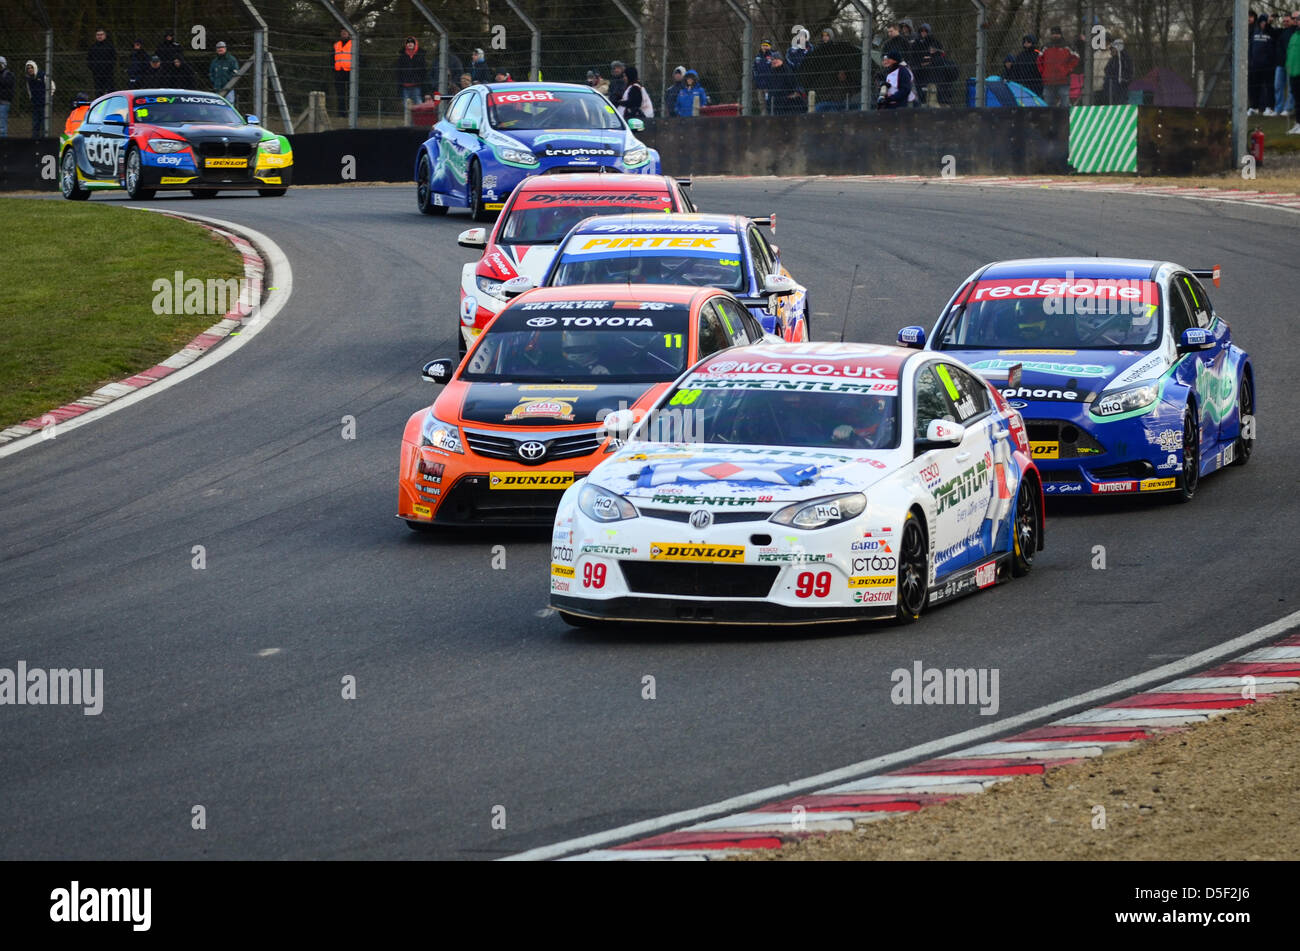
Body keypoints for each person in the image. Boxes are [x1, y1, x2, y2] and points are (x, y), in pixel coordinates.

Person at [1038, 26, 1079, 107]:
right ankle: (1050, 119)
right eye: (1053, 34)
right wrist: (1043, 73)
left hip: (1063, 79)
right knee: (1048, 103)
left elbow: (1076, 58)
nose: (1055, 35)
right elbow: (1039, 61)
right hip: (1048, 79)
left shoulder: (1068, 46)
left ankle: (1065, 118)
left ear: (1060, 34)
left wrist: (1068, 69)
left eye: (1057, 34)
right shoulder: (1045, 47)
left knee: (1064, 103)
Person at [1249, 12, 1275, 113]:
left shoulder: (1271, 33)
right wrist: (1251, 61)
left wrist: (1271, 62)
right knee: (1255, 88)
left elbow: (1273, 49)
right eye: (1262, 22)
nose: (1263, 24)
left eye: (1265, 22)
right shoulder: (1254, 33)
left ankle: (1269, 107)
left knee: (1269, 87)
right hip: (1255, 66)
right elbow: (1251, 48)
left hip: (1268, 66)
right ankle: (1254, 107)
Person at [1273, 13, 1296, 115]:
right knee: (1278, 86)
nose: (1286, 23)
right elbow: (1270, 31)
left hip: (1290, 63)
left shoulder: (1295, 31)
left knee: (1291, 87)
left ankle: (1288, 108)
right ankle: (1278, 108)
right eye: (1284, 21)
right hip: (1280, 64)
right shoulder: (1281, 32)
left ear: (1292, 21)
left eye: (1288, 21)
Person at [395, 36, 425, 105]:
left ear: (415, 44)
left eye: (412, 42)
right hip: (405, 86)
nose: (410, 44)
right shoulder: (402, 56)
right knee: (406, 105)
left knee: (418, 103)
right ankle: (407, 116)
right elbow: (398, 71)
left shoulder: (420, 56)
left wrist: (420, 80)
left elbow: (423, 71)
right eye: (408, 42)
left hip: (417, 85)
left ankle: (418, 116)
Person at [87, 28, 116, 98]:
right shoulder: (93, 47)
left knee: (109, 91)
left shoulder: (110, 46)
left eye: (101, 34)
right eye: (98, 35)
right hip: (96, 74)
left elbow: (114, 59)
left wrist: (109, 68)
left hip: (108, 73)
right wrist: (93, 69)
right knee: (98, 92)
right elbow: (89, 60)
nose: (99, 36)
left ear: (105, 36)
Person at [1103, 38, 1133, 105]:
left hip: (1120, 88)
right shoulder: (1113, 60)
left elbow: (1128, 72)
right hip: (1111, 87)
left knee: (1120, 102)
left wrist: (1123, 80)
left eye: (1113, 48)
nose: (1111, 51)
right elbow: (1107, 70)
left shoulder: (1124, 59)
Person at [209, 41, 239, 105]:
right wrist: (214, 81)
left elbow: (235, 73)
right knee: (218, 106)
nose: (220, 49)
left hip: (229, 88)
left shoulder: (231, 60)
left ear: (225, 48)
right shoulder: (215, 61)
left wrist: (229, 81)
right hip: (217, 88)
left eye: (222, 47)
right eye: (218, 48)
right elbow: (211, 73)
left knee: (229, 105)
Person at [25, 61, 49, 137]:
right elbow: (29, 91)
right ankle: (34, 139)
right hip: (35, 104)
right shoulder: (29, 79)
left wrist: (48, 98)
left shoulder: (42, 75)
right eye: (28, 68)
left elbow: (52, 86)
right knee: (35, 123)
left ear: (35, 67)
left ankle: (44, 139)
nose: (30, 69)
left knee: (44, 123)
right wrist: (31, 98)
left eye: (31, 67)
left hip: (44, 104)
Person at [332, 28, 352, 117]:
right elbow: (332, 57)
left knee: (351, 94)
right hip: (339, 71)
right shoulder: (336, 45)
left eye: (345, 32)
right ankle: (341, 113)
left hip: (350, 72)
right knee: (340, 93)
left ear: (349, 33)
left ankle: (352, 112)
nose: (343, 34)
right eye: (342, 32)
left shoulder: (353, 44)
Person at [753, 40, 774, 114]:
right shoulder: (757, 57)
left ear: (770, 47)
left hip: (769, 85)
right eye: (763, 45)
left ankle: (772, 116)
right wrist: (756, 80)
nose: (765, 47)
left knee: (769, 101)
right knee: (762, 103)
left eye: (766, 45)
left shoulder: (772, 56)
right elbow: (754, 69)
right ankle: (763, 117)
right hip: (760, 85)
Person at [1288, 20, 1300, 132]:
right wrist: (1288, 65)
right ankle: (1298, 123)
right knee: (1297, 99)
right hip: (1293, 73)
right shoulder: (1294, 35)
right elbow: (1290, 52)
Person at [0, 57, 13, 137]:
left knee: (2, 125)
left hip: (3, 102)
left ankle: (3, 143)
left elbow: (7, 86)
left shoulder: (8, 74)